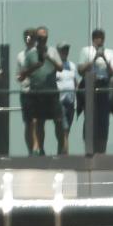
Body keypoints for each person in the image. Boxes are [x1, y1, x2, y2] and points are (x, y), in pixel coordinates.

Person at [19, 26, 63, 156]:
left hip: (52, 92)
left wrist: (48, 57)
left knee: (59, 121)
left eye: (44, 38)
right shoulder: (30, 54)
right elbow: (22, 75)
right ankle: (41, 149)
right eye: (40, 38)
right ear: (36, 38)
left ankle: (61, 150)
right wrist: (35, 65)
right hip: (37, 93)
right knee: (39, 122)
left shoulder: (53, 51)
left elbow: (60, 68)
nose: (42, 40)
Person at [77, 29, 113, 153]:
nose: (98, 40)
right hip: (89, 85)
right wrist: (94, 58)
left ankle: (101, 151)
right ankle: (89, 149)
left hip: (104, 85)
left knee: (103, 119)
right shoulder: (85, 51)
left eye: (101, 37)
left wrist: (104, 58)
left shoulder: (111, 53)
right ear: (92, 39)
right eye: (96, 37)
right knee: (89, 117)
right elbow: (80, 70)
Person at [16, 28, 37, 155]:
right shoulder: (20, 55)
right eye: (26, 37)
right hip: (25, 91)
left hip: (37, 91)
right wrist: (23, 75)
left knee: (36, 121)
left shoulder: (39, 53)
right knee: (28, 123)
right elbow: (18, 76)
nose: (28, 39)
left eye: (30, 37)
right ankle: (30, 150)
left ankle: (36, 148)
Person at [55, 43, 76, 154]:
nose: (65, 52)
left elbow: (75, 81)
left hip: (71, 102)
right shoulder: (54, 66)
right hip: (59, 102)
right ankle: (65, 155)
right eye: (63, 50)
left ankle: (61, 152)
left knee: (66, 130)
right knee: (64, 129)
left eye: (67, 50)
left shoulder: (72, 65)